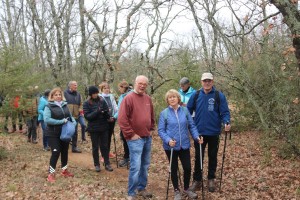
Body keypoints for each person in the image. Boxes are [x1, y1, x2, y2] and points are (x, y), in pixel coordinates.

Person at [187, 72, 231, 192]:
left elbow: (225, 112)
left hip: (214, 132)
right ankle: (197, 180)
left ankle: (211, 178)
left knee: (213, 156)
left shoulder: (218, 95)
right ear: (201, 82)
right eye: (205, 81)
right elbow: (187, 111)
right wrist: (188, 123)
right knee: (198, 157)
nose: (207, 83)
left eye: (209, 81)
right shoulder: (195, 95)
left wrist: (226, 122)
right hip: (198, 133)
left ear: (212, 82)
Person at [158, 89, 203, 200]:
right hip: (171, 146)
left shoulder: (185, 111)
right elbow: (161, 130)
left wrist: (197, 137)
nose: (172, 99)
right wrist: (168, 140)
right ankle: (176, 190)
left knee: (187, 168)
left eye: (174, 96)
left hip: (184, 145)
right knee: (173, 168)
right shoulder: (164, 113)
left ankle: (187, 189)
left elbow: (191, 126)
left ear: (178, 98)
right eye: (170, 97)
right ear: (167, 100)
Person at [118, 75, 155, 199]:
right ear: (135, 83)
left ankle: (141, 188)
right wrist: (131, 134)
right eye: (140, 83)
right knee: (136, 166)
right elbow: (122, 119)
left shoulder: (147, 99)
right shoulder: (128, 98)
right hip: (135, 139)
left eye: (145, 84)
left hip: (147, 137)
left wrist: (151, 129)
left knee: (145, 165)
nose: (142, 86)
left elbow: (151, 115)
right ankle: (131, 192)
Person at [44, 87, 76, 183]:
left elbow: (70, 117)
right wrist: (61, 121)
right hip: (53, 133)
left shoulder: (64, 105)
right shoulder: (48, 106)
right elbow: (47, 120)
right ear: (52, 96)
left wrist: (73, 122)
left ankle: (64, 170)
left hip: (64, 133)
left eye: (59, 95)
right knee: (55, 152)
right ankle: (51, 173)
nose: (58, 96)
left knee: (65, 151)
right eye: (56, 95)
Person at [83, 86, 113, 172]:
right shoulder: (86, 103)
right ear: (90, 94)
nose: (95, 95)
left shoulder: (102, 100)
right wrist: (97, 111)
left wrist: (108, 115)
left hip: (104, 127)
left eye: (96, 93)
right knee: (95, 147)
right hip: (93, 128)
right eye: (93, 93)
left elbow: (107, 111)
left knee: (104, 146)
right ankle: (97, 164)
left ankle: (107, 163)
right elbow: (88, 117)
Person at [113, 80, 132, 167]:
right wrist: (114, 116)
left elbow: (121, 110)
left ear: (122, 87)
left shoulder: (130, 95)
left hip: (128, 122)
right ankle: (127, 157)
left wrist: (114, 117)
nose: (119, 90)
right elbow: (120, 110)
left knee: (127, 140)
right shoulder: (123, 96)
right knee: (125, 139)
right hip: (124, 121)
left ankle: (128, 158)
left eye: (119, 88)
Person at [99, 82, 118, 159]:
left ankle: (107, 152)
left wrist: (114, 116)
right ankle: (103, 155)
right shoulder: (99, 97)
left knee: (109, 137)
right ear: (101, 89)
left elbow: (115, 107)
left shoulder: (111, 96)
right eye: (105, 88)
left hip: (112, 120)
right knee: (103, 138)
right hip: (103, 120)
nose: (107, 89)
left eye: (108, 88)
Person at [64, 81, 82, 153]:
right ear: (70, 86)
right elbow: (62, 104)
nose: (76, 86)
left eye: (76, 85)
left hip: (76, 116)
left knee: (75, 132)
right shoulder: (65, 93)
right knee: (67, 131)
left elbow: (81, 104)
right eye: (74, 85)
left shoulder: (78, 94)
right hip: (67, 117)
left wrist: (80, 110)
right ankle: (65, 147)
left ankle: (74, 147)